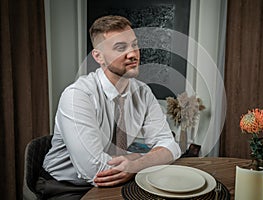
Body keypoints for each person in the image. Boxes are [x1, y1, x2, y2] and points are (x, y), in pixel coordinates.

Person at [36, 15, 181, 199]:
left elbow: (170, 146)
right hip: (65, 186)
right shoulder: (77, 96)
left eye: (134, 45)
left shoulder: (143, 92)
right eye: (121, 48)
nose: (133, 54)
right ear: (98, 56)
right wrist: (138, 159)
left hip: (117, 179)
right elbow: (95, 170)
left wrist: (136, 162)